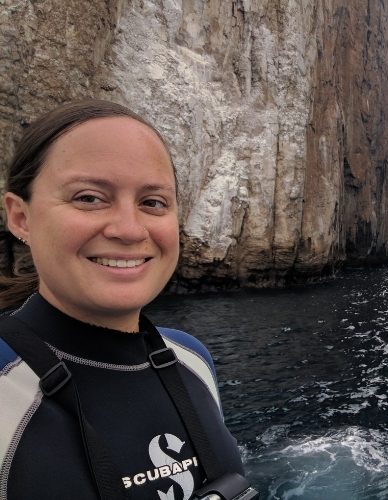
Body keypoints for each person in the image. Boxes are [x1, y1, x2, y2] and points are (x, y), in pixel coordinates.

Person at [0, 100, 249, 500]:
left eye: (152, 202)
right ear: (20, 217)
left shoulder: (191, 359)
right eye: (89, 197)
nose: (130, 230)